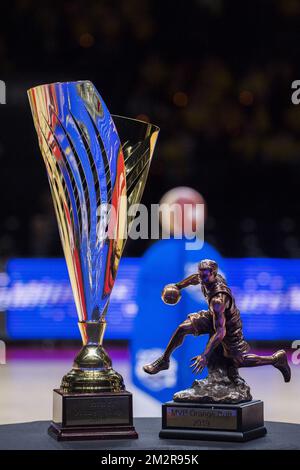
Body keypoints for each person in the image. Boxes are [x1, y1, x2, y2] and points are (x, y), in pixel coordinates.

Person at [143, 259, 291, 382]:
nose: (201, 279)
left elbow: (220, 332)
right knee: (183, 328)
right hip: (214, 315)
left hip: (229, 325)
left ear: (213, 274)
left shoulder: (218, 300)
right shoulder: (205, 277)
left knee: (238, 361)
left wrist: (204, 356)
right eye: (200, 275)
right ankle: (164, 361)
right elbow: (194, 278)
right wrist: (177, 286)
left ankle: (276, 359)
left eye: (204, 276)